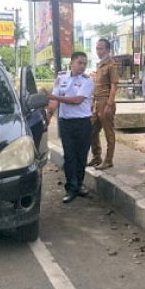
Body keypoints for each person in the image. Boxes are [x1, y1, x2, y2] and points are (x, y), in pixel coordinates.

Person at [45, 52, 95, 203]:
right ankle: (71, 188)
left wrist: (55, 97)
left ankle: (79, 184)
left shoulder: (88, 81)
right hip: (66, 123)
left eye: (85, 63)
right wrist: (48, 115)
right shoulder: (61, 78)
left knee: (81, 156)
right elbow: (54, 100)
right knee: (69, 156)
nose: (82, 66)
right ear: (72, 63)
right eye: (80, 63)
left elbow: (78, 100)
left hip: (83, 123)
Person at [88, 39, 120, 170]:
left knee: (109, 132)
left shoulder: (111, 65)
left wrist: (109, 104)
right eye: (97, 48)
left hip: (106, 101)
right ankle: (97, 156)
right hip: (96, 101)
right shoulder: (100, 65)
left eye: (101, 48)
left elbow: (114, 86)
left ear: (108, 50)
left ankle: (108, 160)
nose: (98, 51)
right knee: (92, 130)